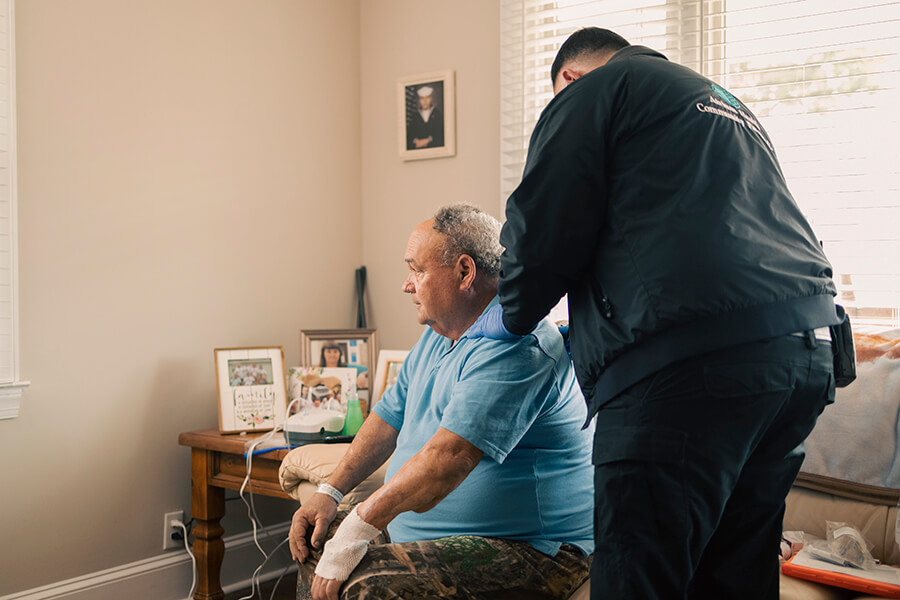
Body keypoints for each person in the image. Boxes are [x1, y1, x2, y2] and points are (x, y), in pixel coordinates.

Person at [469, 27, 843, 599]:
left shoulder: (594, 93)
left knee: (636, 580)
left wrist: (506, 319)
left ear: (567, 80)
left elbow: (541, 236)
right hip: (804, 354)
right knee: (734, 578)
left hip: (688, 369)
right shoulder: (724, 104)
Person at [288, 204, 594, 600]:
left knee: (365, 586)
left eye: (417, 269)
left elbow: (447, 461)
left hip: (533, 549)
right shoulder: (439, 333)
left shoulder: (518, 345)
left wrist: (357, 528)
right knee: (314, 539)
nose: (406, 284)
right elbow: (386, 418)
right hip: (431, 538)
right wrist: (330, 492)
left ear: (465, 272)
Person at [406, 84, 444, 149]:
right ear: (419, 100)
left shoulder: (437, 113)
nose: (425, 101)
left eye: (427, 97)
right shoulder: (415, 116)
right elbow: (410, 134)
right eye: (422, 98)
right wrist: (416, 141)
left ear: (431, 98)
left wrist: (428, 140)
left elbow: (440, 133)